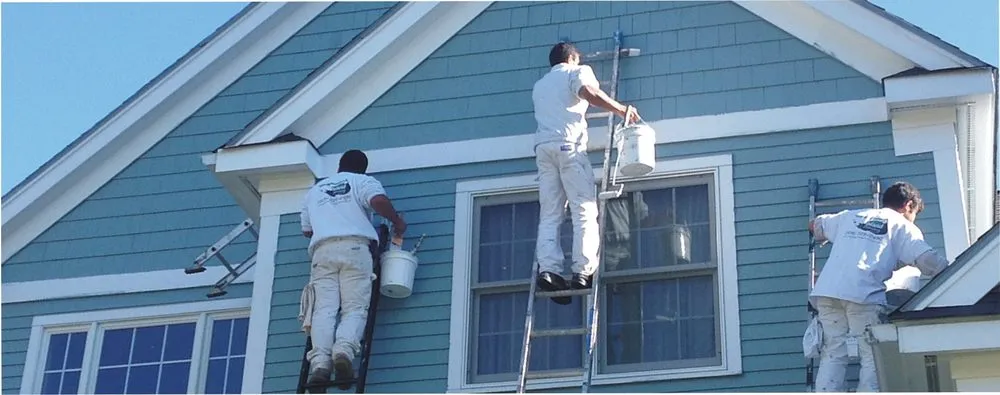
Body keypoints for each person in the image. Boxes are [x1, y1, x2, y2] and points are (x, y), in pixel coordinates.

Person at [808, 181, 950, 392]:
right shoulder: (902, 226)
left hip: (827, 292)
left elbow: (815, 225)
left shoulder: (851, 216)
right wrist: (953, 271)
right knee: (871, 352)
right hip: (863, 294)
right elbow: (928, 260)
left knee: (833, 350)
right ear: (908, 205)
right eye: (914, 213)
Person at [531, 41, 641, 305]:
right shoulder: (576, 72)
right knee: (584, 210)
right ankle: (582, 271)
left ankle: (548, 270)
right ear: (571, 58)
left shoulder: (540, 85)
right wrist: (621, 109)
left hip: (543, 150)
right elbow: (589, 92)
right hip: (568, 146)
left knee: (550, 213)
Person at [298, 149, 406, 391]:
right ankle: (343, 352)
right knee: (354, 307)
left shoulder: (315, 191)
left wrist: (328, 220)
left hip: (322, 252)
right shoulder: (362, 181)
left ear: (339, 166)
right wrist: (397, 222)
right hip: (355, 249)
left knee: (323, 310)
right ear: (363, 169)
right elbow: (378, 201)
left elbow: (307, 230)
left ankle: (320, 366)